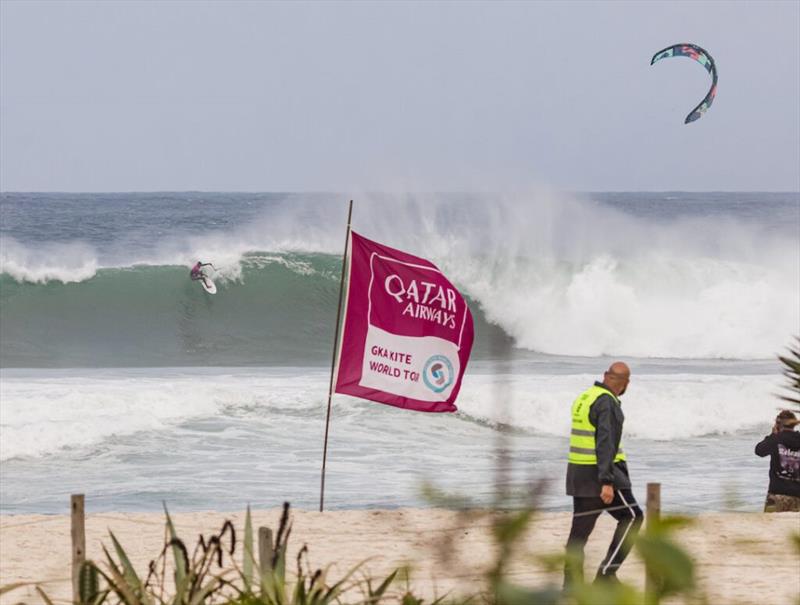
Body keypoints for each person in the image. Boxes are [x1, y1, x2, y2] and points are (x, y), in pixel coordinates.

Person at [563, 361, 643, 589]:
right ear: (625, 383)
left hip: (579, 473)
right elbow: (605, 444)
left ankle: (571, 587)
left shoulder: (585, 397)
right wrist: (607, 481)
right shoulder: (607, 403)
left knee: (579, 534)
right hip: (602, 475)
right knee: (633, 517)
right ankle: (606, 575)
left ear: (606, 376)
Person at [754, 410, 800, 512]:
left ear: (777, 425)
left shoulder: (776, 439)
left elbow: (759, 451)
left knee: (770, 526)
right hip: (798, 495)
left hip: (777, 494)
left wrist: (772, 435)